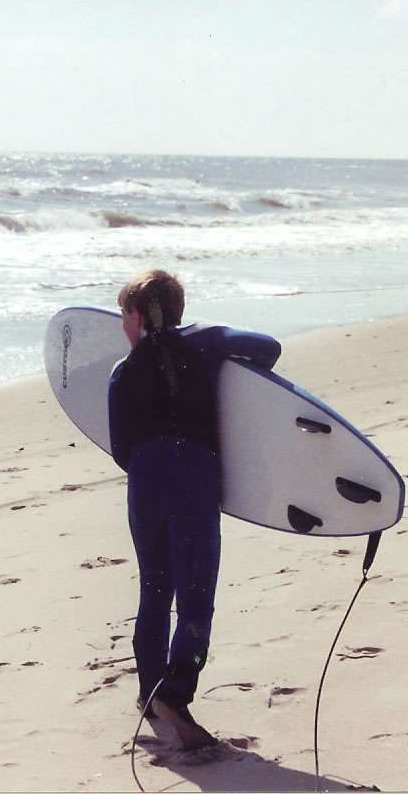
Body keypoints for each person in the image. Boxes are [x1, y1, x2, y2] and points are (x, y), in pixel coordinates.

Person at [108, 269, 279, 749]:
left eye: (124, 314)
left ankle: (148, 693)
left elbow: (119, 446)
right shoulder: (206, 341)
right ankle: (175, 694)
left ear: (137, 316)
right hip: (193, 477)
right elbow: (267, 347)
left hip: (145, 482)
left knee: (155, 590)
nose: (123, 325)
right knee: (196, 595)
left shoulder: (122, 372)